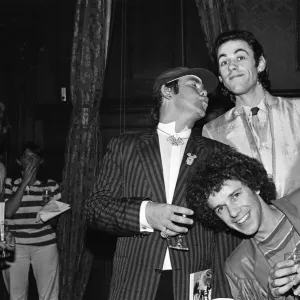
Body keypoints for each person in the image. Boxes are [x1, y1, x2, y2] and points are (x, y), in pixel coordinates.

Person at [85, 67, 235, 300]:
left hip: (197, 284)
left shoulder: (217, 153)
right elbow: (96, 208)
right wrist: (146, 214)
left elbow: (226, 229)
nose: (204, 94)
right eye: (195, 86)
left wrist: (223, 295)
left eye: (205, 91)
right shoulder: (124, 146)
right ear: (167, 91)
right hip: (135, 283)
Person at [187, 147, 300, 300]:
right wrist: (274, 296)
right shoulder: (237, 269)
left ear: (255, 186)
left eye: (235, 196)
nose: (232, 212)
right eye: (220, 208)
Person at [202, 29, 300, 199]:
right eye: (224, 62)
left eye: (240, 57)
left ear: (260, 63)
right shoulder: (212, 131)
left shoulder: (297, 110)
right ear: (220, 78)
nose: (231, 66)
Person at [2, 141, 61, 300]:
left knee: (49, 295)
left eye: (34, 157)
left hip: (44, 245)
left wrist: (50, 210)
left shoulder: (51, 185)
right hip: (13, 245)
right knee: (16, 295)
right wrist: (24, 183)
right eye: (26, 157)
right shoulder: (9, 184)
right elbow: (8, 212)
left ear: (40, 161)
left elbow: (53, 223)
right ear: (18, 161)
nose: (30, 161)